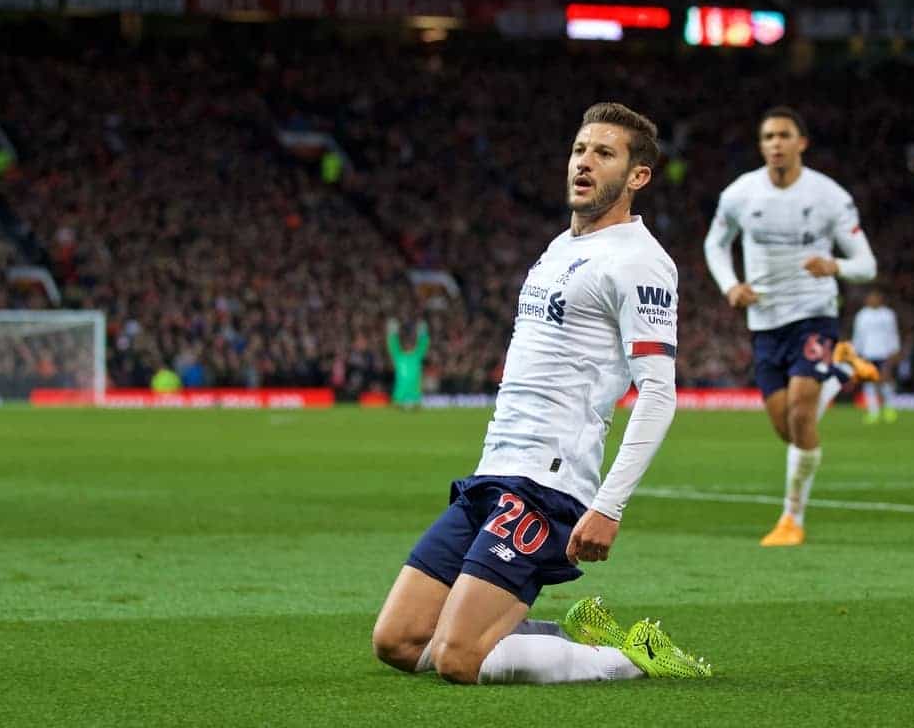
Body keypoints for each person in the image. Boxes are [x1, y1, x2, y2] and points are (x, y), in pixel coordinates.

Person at [372, 102, 711, 685]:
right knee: (398, 641)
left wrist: (609, 505)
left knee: (458, 659)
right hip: (493, 471)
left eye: (605, 153)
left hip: (548, 483)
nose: (584, 162)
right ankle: (552, 636)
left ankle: (628, 658)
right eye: (580, 149)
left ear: (638, 176)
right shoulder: (559, 248)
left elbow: (658, 393)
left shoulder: (642, 261)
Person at [703, 106, 879, 548]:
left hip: (815, 313)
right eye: (768, 137)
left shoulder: (829, 197)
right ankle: (841, 370)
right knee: (789, 429)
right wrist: (730, 286)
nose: (776, 143)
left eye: (784, 135)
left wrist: (833, 264)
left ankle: (791, 519)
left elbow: (867, 265)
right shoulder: (741, 194)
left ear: (802, 142)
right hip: (765, 321)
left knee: (803, 411)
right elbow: (715, 244)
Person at [852, 289, 901, 423]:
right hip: (867, 353)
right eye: (870, 297)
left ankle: (889, 409)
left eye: (875, 297)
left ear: (880, 299)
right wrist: (857, 353)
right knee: (869, 383)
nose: (873, 300)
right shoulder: (862, 315)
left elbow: (893, 333)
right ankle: (873, 412)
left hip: (884, 353)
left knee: (885, 381)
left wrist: (895, 350)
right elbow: (858, 335)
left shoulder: (888, 314)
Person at [386, 318, 429, 409]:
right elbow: (392, 344)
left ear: (413, 344)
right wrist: (392, 331)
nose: (408, 345)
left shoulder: (417, 355)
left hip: (415, 393)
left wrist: (423, 331)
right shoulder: (399, 356)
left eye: (410, 343)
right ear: (404, 344)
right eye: (406, 343)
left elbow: (424, 343)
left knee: (416, 411)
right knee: (396, 411)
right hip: (400, 393)